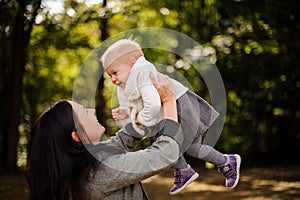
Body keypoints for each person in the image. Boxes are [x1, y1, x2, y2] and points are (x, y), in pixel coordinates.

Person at [101, 38, 241, 195]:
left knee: (165, 142)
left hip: (181, 105)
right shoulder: (132, 80)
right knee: (191, 147)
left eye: (114, 72)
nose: (113, 79)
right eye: (109, 75)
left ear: (133, 63)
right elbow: (141, 101)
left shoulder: (141, 73)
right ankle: (225, 162)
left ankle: (185, 169)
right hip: (177, 107)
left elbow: (153, 104)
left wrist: (141, 119)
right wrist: (127, 111)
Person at [27, 73, 184, 199]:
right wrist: (169, 100)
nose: (93, 111)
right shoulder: (98, 175)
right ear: (77, 136)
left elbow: (118, 142)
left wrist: (139, 123)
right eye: (85, 112)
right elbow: (165, 154)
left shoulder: (84, 163)